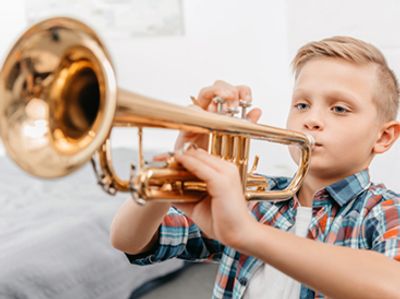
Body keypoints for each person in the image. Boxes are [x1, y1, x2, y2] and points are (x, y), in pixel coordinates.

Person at [110, 36, 400, 298]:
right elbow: (129, 241)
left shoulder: (384, 212)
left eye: (339, 108)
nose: (312, 120)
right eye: (302, 105)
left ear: (383, 137)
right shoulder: (253, 200)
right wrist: (177, 170)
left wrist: (246, 232)